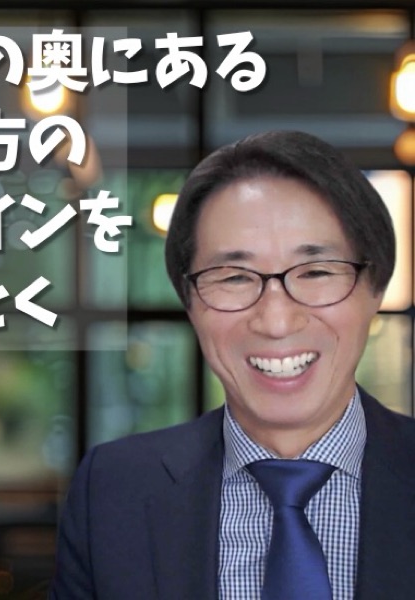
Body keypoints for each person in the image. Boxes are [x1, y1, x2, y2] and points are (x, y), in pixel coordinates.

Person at [49, 130, 415, 600]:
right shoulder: (114, 491)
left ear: (376, 288)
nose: (276, 321)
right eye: (234, 278)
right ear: (189, 301)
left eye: (316, 272)